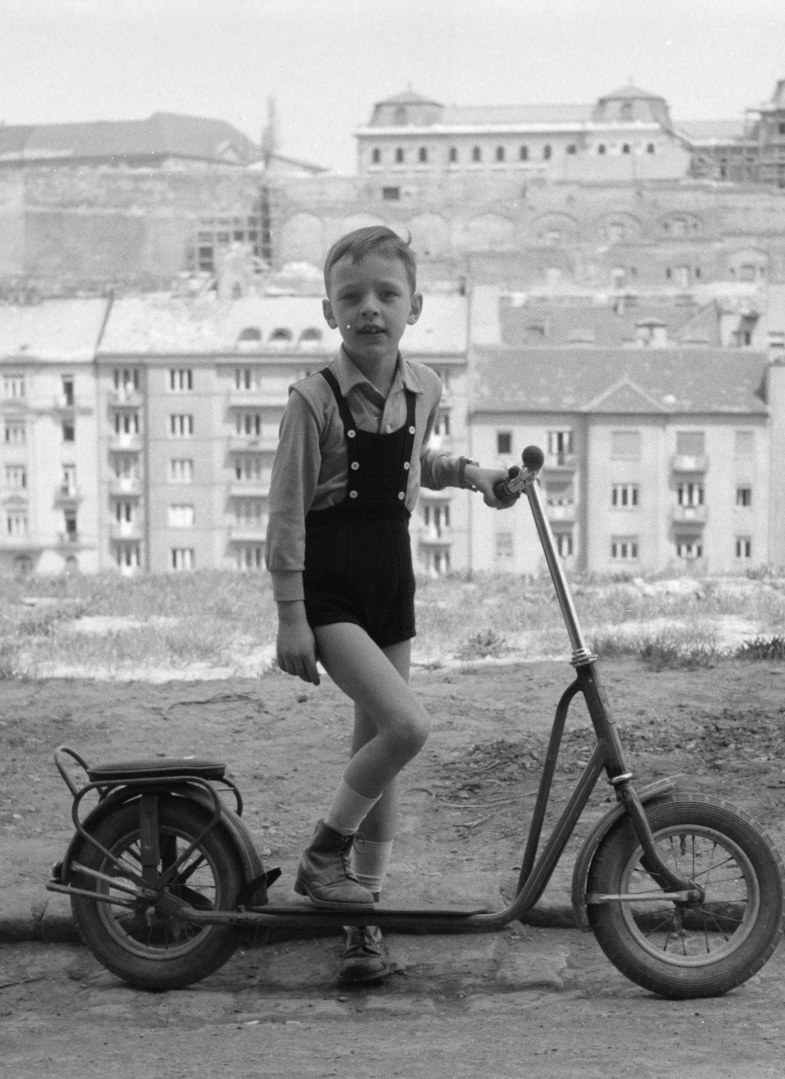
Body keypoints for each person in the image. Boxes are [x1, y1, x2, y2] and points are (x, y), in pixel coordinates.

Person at [266, 225, 517, 984]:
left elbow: (417, 464)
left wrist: (475, 473)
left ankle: (362, 921)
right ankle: (321, 856)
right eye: (352, 296)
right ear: (328, 308)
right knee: (407, 726)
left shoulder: (426, 387)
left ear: (416, 304)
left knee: (377, 757)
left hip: (390, 578)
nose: (369, 308)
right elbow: (283, 514)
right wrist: (290, 614)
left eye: (386, 294)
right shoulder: (313, 399)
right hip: (331, 585)